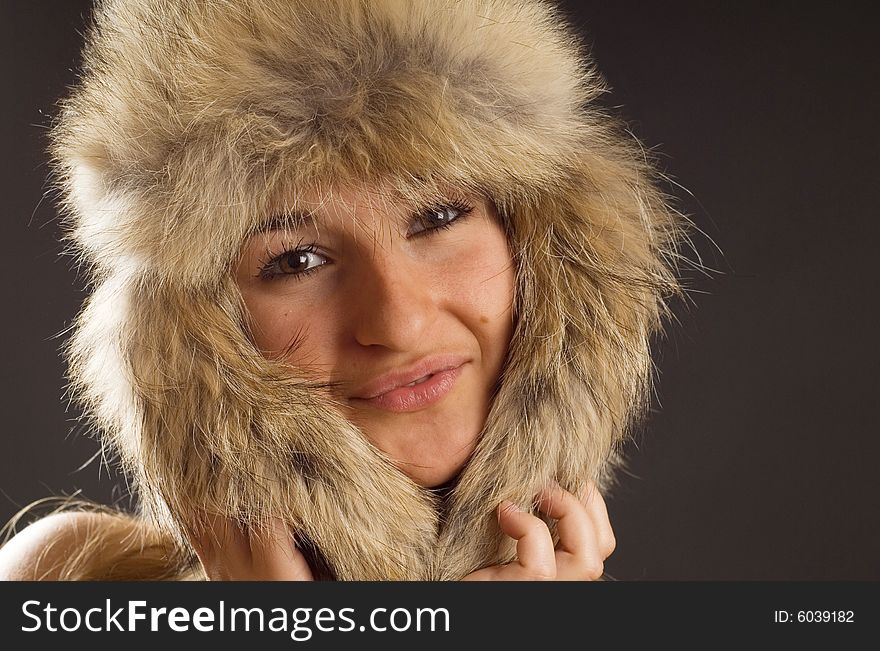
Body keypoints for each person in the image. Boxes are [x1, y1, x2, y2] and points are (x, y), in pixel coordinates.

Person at [0, 0, 683, 581]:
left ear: (540, 243)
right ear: (197, 328)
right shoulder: (72, 575)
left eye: (439, 216)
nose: (399, 322)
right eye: (296, 259)